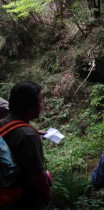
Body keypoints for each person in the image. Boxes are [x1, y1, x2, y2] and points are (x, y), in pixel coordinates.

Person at [0, 81, 51, 209]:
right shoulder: (28, 135)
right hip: (24, 200)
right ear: (30, 106)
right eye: (40, 101)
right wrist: (47, 194)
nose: (42, 105)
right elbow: (38, 177)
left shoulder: (2, 122)